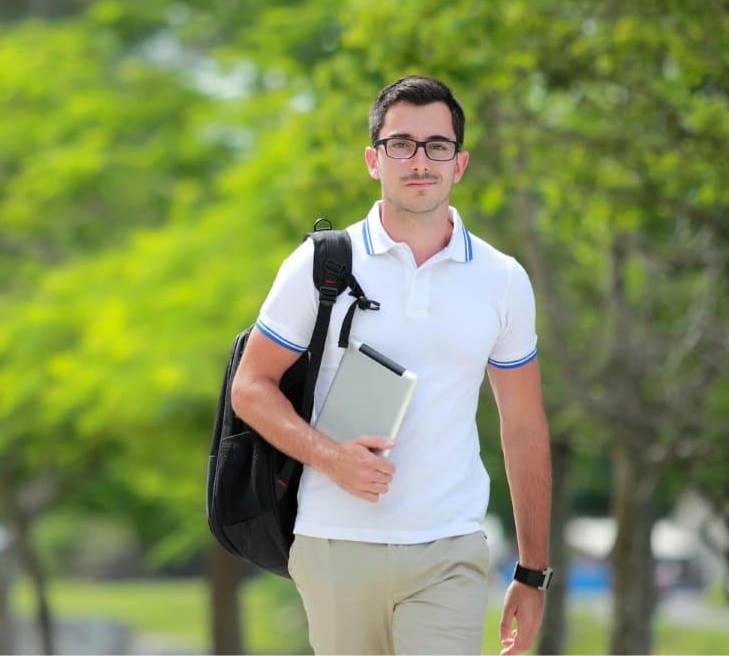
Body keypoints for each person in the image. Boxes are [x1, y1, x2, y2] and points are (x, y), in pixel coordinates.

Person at [231, 75, 551, 655]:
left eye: (438, 145)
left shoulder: (502, 280)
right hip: (334, 543)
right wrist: (331, 458)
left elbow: (524, 425)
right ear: (374, 160)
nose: (420, 160)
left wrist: (532, 571)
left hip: (449, 546)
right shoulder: (320, 264)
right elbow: (250, 387)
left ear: (461, 163)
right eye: (401, 144)